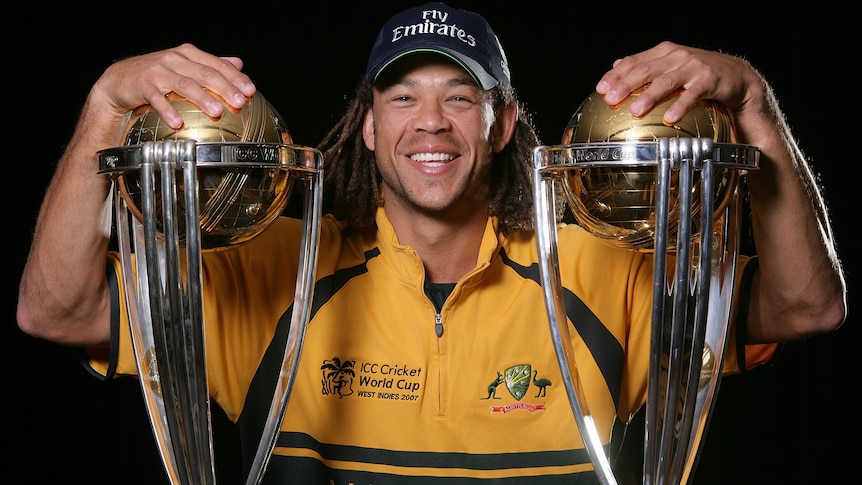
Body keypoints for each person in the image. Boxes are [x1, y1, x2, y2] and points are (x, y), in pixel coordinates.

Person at [17, 2, 846, 483]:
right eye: (404, 96)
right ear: (370, 128)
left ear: (504, 123)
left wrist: (758, 111)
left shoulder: (602, 266)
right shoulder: (278, 272)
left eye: (461, 96)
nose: (432, 123)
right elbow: (55, 311)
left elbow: (809, 304)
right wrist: (102, 107)